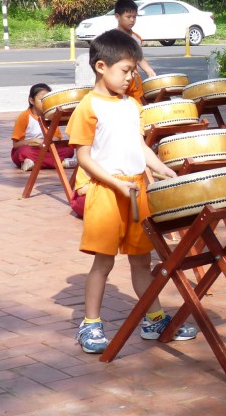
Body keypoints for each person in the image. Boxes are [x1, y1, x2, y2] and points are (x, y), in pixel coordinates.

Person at [66, 29, 196, 354]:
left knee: (141, 261)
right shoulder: (88, 107)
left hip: (137, 189)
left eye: (133, 71)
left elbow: (139, 146)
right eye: (125, 70)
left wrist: (162, 168)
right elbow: (83, 157)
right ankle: (90, 324)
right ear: (101, 67)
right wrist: (115, 183)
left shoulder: (132, 104)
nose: (130, 77)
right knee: (103, 263)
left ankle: (154, 319)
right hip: (107, 192)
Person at [11, 83, 76, 171]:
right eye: (42, 100)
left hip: (48, 149)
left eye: (48, 100)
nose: (45, 103)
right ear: (32, 100)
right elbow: (16, 145)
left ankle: (34, 163)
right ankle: (62, 163)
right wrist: (34, 141)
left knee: (69, 150)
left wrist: (47, 141)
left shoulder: (52, 116)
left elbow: (57, 138)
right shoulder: (24, 116)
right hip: (31, 149)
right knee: (23, 152)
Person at [113, 0, 157, 104]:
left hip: (134, 81)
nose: (132, 20)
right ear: (117, 16)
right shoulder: (111, 37)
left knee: (137, 105)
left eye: (134, 17)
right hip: (118, 81)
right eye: (128, 17)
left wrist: (149, 71)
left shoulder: (136, 38)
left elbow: (139, 58)